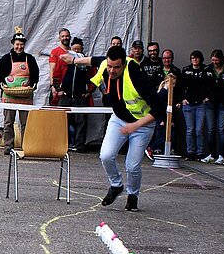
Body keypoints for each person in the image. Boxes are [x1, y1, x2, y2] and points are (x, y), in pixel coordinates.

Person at [61, 45, 162, 211]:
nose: (112, 70)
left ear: (124, 64)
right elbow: (92, 60)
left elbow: (159, 108)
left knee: (132, 165)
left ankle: (133, 195)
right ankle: (116, 185)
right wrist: (73, 60)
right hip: (119, 119)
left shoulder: (137, 76)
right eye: (109, 66)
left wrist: (135, 126)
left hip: (142, 124)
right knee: (106, 155)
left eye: (116, 67)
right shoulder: (105, 64)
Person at [0, 28, 39, 155]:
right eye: (17, 44)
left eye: (21, 44)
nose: (19, 47)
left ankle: (26, 146)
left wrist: (32, 85)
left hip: (25, 95)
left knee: (25, 123)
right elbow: (0, 76)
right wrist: (3, 85)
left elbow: (35, 75)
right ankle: (8, 146)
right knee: (8, 122)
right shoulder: (5, 59)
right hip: (9, 95)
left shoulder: (30, 59)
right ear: (13, 44)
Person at [179, 50, 215, 162]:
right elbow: (180, 86)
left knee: (199, 130)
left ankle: (200, 152)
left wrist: (208, 97)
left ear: (201, 59)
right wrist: (182, 99)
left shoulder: (206, 70)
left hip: (201, 104)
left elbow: (213, 85)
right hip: (188, 104)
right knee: (190, 130)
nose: (194, 60)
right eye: (192, 58)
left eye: (196, 58)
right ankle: (190, 152)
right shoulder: (186, 70)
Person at [58, 37, 93, 151]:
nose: (77, 52)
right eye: (75, 49)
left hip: (80, 96)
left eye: (79, 49)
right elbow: (56, 74)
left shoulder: (87, 61)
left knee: (81, 121)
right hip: (66, 95)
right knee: (62, 121)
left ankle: (80, 145)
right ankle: (62, 144)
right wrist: (58, 89)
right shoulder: (65, 60)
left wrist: (89, 91)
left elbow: (94, 78)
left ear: (82, 49)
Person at [204, 49, 224, 164]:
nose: (214, 62)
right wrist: (205, 96)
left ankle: (222, 155)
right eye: (213, 60)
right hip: (210, 103)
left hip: (223, 103)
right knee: (210, 129)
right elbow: (201, 84)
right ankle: (212, 154)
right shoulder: (208, 70)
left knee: (222, 129)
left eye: (216, 60)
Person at [48, 28, 71, 105]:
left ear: (70, 37)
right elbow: (52, 69)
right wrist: (53, 86)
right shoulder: (55, 52)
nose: (65, 38)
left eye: (67, 36)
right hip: (58, 86)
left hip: (69, 88)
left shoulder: (73, 51)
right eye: (63, 36)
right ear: (59, 38)